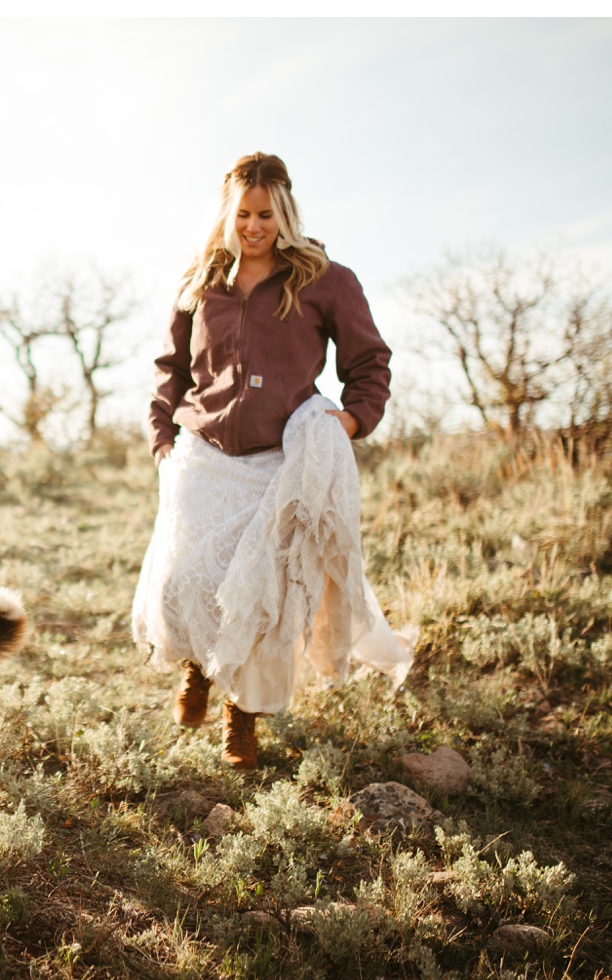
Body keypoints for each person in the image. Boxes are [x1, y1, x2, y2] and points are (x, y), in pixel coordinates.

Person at [131, 152, 412, 771]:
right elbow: (169, 370)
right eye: (243, 215)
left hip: (283, 461)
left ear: (283, 212)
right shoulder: (199, 283)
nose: (253, 227)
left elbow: (370, 362)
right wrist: (161, 438)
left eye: (265, 214)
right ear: (225, 215)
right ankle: (196, 669)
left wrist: (353, 417)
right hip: (203, 457)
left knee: (260, 597)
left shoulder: (326, 280)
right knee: (185, 582)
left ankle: (242, 719)